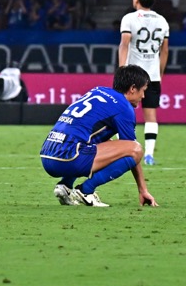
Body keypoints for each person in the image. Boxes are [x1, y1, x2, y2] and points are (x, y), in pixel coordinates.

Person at [40, 65, 158, 208]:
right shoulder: (124, 107)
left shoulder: (98, 90)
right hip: (69, 158)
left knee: (103, 142)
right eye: (143, 91)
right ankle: (86, 190)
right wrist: (143, 189)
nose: (143, 97)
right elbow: (132, 150)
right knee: (136, 149)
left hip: (47, 154)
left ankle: (65, 185)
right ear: (133, 88)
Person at [118, 0, 169, 165]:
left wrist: (121, 70)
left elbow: (124, 44)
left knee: (122, 111)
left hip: (132, 74)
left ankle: (122, 148)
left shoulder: (129, 19)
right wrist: (160, 73)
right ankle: (149, 154)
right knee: (151, 115)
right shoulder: (162, 21)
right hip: (152, 75)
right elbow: (164, 51)